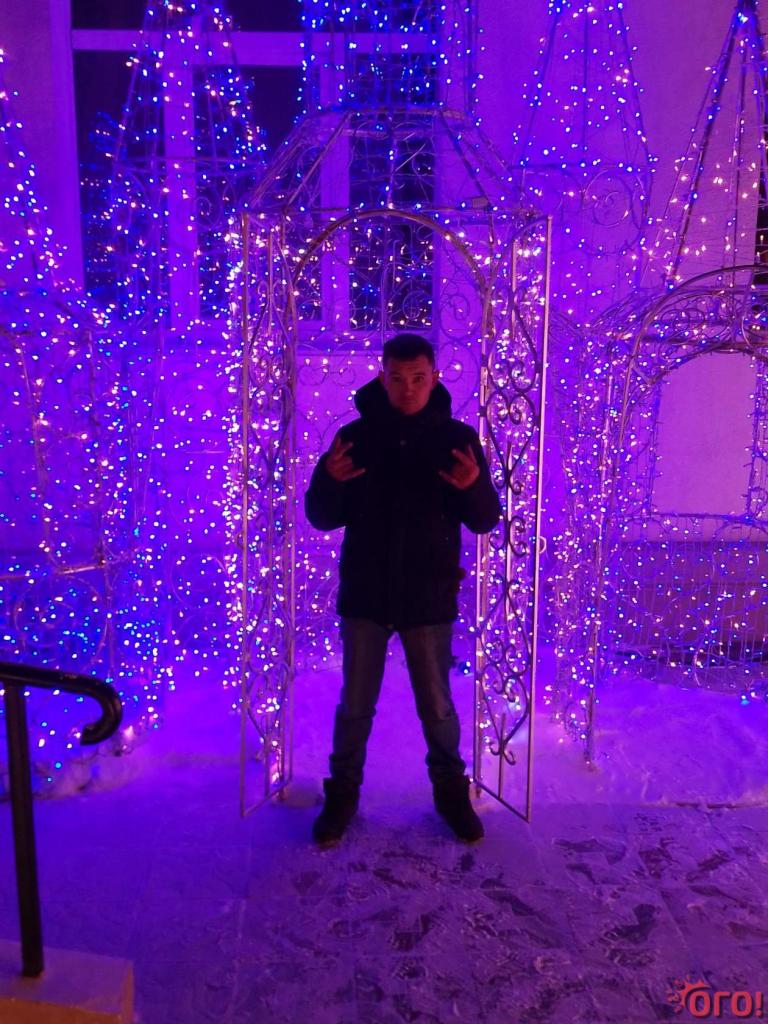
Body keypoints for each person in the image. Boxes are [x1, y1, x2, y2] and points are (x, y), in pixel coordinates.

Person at [304, 333, 501, 845]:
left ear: (434, 378)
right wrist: (329, 479)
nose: (408, 389)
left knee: (437, 707)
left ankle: (451, 795)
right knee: (354, 706)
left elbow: (485, 519)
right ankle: (342, 795)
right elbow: (321, 516)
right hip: (367, 594)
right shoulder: (356, 436)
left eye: (417, 378)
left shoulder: (456, 438)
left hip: (427, 596)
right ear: (382, 378)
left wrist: (473, 488)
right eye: (397, 378)